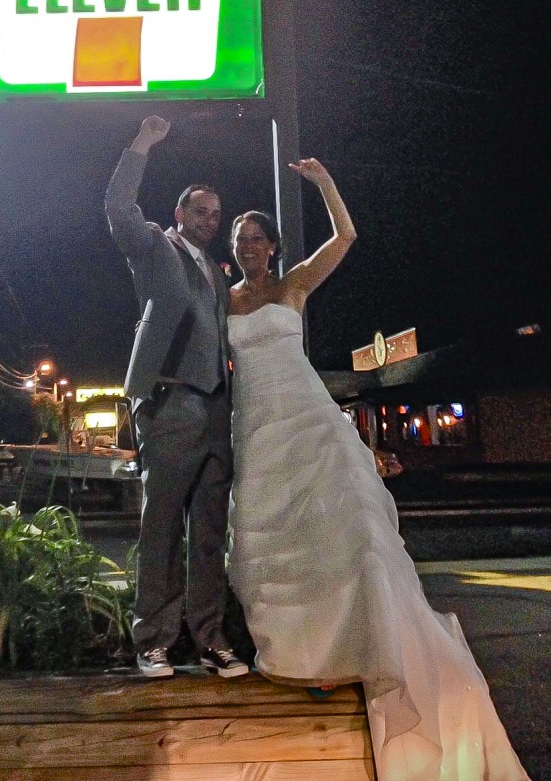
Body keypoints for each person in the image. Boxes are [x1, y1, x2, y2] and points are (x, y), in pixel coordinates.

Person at [227, 158, 529, 781]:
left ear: (273, 246)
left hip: (306, 412)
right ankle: (293, 650)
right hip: (256, 426)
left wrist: (323, 183)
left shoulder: (295, 285)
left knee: (344, 528)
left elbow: (347, 238)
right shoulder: (223, 299)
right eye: (240, 240)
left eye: (256, 237)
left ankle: (350, 648)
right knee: (270, 537)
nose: (249, 246)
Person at [105, 115, 248, 680]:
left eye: (216, 214)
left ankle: (209, 638)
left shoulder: (217, 273)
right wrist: (141, 142)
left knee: (210, 531)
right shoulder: (156, 248)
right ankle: (154, 641)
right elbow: (118, 208)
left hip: (216, 409)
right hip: (170, 401)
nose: (209, 220)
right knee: (162, 526)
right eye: (199, 211)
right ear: (179, 215)